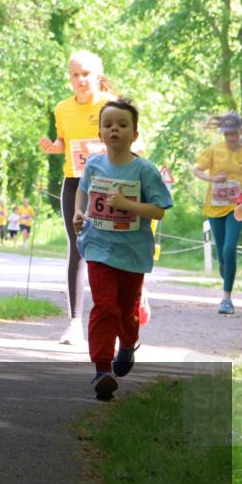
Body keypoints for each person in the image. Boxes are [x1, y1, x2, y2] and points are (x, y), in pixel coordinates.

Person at [73, 98, 172, 400]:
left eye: (122, 125)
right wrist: (79, 213)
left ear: (134, 134)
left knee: (128, 311)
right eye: (108, 125)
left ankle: (128, 345)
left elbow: (158, 210)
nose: (114, 129)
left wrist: (128, 205)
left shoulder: (144, 170)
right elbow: (83, 190)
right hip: (98, 247)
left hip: (131, 253)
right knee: (105, 306)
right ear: (101, 133)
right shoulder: (93, 164)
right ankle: (102, 370)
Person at [39, 50, 118, 345]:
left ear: (98, 76)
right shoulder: (62, 108)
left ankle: (131, 300)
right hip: (77, 183)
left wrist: (103, 148)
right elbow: (64, 142)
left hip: (109, 183)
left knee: (113, 245)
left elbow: (133, 141)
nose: (81, 80)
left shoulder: (110, 105)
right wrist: (53, 146)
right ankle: (74, 324)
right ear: (70, 77)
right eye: (75, 74)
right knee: (78, 246)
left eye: (86, 74)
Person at [192, 113, 242, 315]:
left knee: (229, 247)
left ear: (240, 133)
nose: (231, 138)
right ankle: (226, 269)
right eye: (227, 134)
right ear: (222, 133)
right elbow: (197, 171)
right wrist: (212, 180)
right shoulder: (214, 151)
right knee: (222, 254)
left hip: (238, 207)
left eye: (234, 134)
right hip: (215, 206)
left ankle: (226, 299)